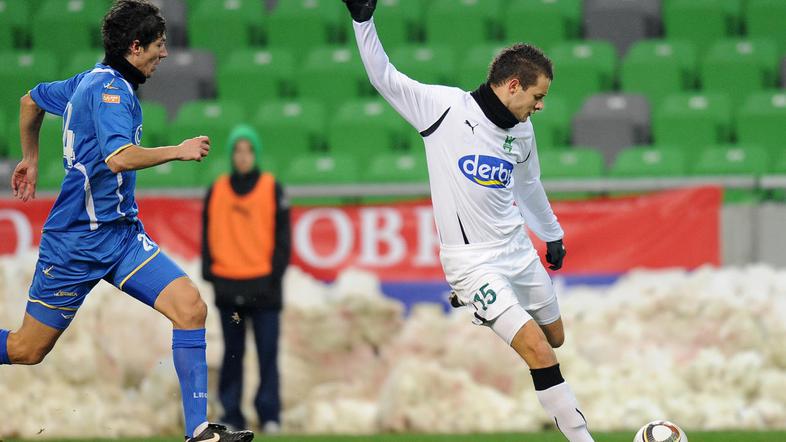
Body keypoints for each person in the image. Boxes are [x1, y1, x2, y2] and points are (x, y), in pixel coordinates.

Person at [1, 1, 254, 441]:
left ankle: (198, 432)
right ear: (135, 48)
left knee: (190, 307)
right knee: (27, 349)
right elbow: (119, 158)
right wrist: (179, 149)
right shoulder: (111, 92)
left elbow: (29, 100)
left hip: (120, 238)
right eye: (158, 45)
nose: (165, 54)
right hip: (76, 243)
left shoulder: (88, 80)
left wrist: (30, 157)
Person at [342, 1, 593, 441]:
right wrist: (363, 22)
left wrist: (551, 235)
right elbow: (385, 77)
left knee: (554, 338)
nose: (540, 106)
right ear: (513, 86)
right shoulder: (443, 109)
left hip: (516, 249)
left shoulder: (522, 132)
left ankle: (480, 306)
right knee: (538, 350)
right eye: (538, 97)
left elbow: (529, 185)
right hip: (472, 262)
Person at [201, 125, 290, 434]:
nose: (242, 156)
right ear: (231, 155)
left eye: (248, 150)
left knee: (267, 355)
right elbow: (207, 238)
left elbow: (283, 241)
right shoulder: (218, 189)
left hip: (265, 291)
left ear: (256, 154)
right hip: (230, 289)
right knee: (233, 355)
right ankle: (232, 415)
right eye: (237, 150)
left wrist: (272, 279)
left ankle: (269, 415)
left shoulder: (272, 188)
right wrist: (213, 275)